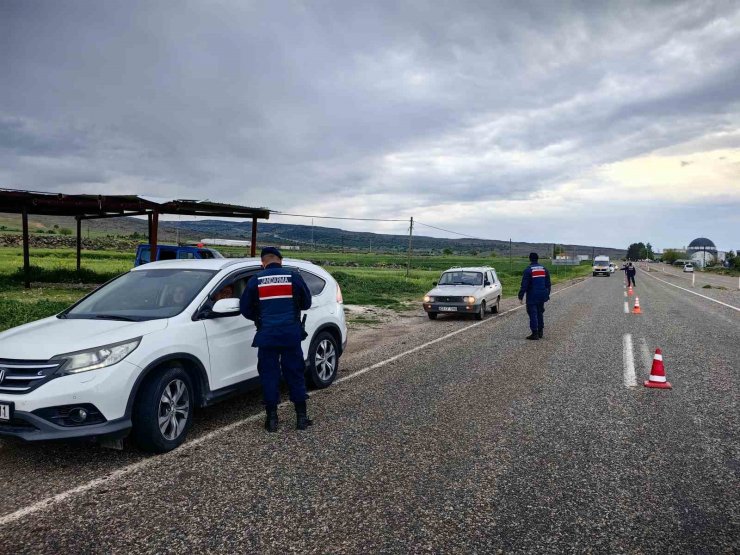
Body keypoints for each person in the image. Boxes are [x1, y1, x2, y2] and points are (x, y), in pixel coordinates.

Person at [240, 247, 313, 432]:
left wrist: (259, 317)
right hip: (291, 335)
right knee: (295, 374)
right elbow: (306, 303)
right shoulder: (293, 277)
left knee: (269, 376)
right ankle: (301, 419)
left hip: (267, 336)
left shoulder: (255, 280)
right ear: (281, 260)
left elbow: (245, 309)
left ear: (262, 263)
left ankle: (272, 420)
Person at [518, 252, 551, 340]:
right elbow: (548, 284)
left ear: (530, 259)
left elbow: (524, 285)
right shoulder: (544, 269)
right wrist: (547, 294)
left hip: (532, 296)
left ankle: (534, 333)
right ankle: (540, 332)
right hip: (542, 295)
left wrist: (520, 296)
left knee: (533, 313)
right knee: (540, 312)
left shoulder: (528, 270)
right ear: (537, 259)